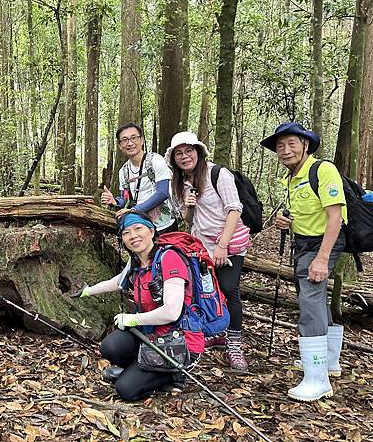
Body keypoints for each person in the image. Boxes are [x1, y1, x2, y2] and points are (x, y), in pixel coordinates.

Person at [72, 211, 202, 402]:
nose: (132, 236)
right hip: (151, 333)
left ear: (151, 231)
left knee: (126, 390)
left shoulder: (169, 258)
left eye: (138, 229)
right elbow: (117, 282)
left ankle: (173, 375)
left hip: (179, 341)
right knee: (110, 347)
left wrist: (133, 319)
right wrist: (87, 291)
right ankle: (143, 368)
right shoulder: (137, 262)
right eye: (126, 233)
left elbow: (172, 311)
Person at [261, 122, 346, 402]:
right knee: (316, 300)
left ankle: (316, 379)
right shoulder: (291, 178)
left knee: (309, 303)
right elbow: (303, 213)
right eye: (280, 146)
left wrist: (322, 259)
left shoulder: (322, 170)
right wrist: (284, 221)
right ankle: (329, 362)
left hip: (323, 243)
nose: (285, 150)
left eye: (291, 144)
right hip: (304, 243)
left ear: (305, 145)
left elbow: (335, 217)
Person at [166, 131, 251, 371]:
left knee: (228, 288)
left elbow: (235, 210)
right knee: (207, 291)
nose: (184, 157)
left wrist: (222, 246)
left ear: (199, 152)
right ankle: (216, 331)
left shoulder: (218, 174)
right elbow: (187, 217)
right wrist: (187, 206)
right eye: (179, 153)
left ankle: (234, 343)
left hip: (228, 244)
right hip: (201, 246)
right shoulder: (181, 181)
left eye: (188, 151)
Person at [101, 123, 178, 234]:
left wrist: (134, 210)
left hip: (164, 225)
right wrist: (115, 202)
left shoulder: (155, 160)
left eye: (134, 138)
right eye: (125, 140)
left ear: (141, 140)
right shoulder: (124, 171)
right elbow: (126, 199)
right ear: (120, 145)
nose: (130, 143)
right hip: (140, 226)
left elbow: (162, 193)